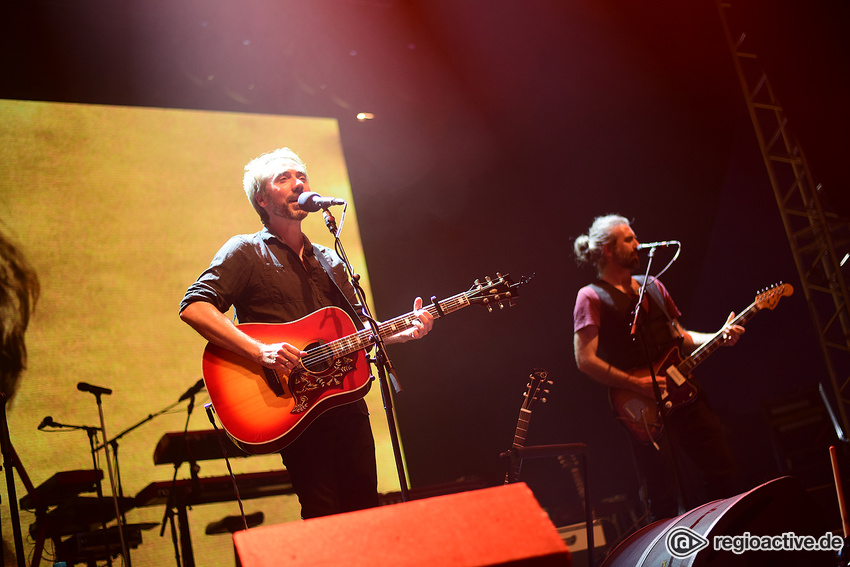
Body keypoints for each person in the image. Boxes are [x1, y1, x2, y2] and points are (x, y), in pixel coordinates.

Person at [179, 147, 434, 519]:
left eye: (302, 177)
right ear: (262, 199)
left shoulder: (329, 260)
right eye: (284, 178)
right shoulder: (245, 251)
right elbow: (194, 307)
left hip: (344, 401)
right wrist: (259, 352)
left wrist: (400, 333)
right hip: (292, 408)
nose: (298, 183)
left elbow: (359, 330)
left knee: (364, 510)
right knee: (323, 513)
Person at [572, 214, 743, 521]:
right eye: (629, 239)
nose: (638, 243)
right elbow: (585, 359)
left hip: (683, 393)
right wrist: (635, 384)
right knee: (661, 492)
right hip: (641, 407)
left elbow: (682, 336)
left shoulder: (652, 285)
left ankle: (725, 541)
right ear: (608, 251)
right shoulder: (590, 296)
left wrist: (719, 336)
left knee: (721, 466)